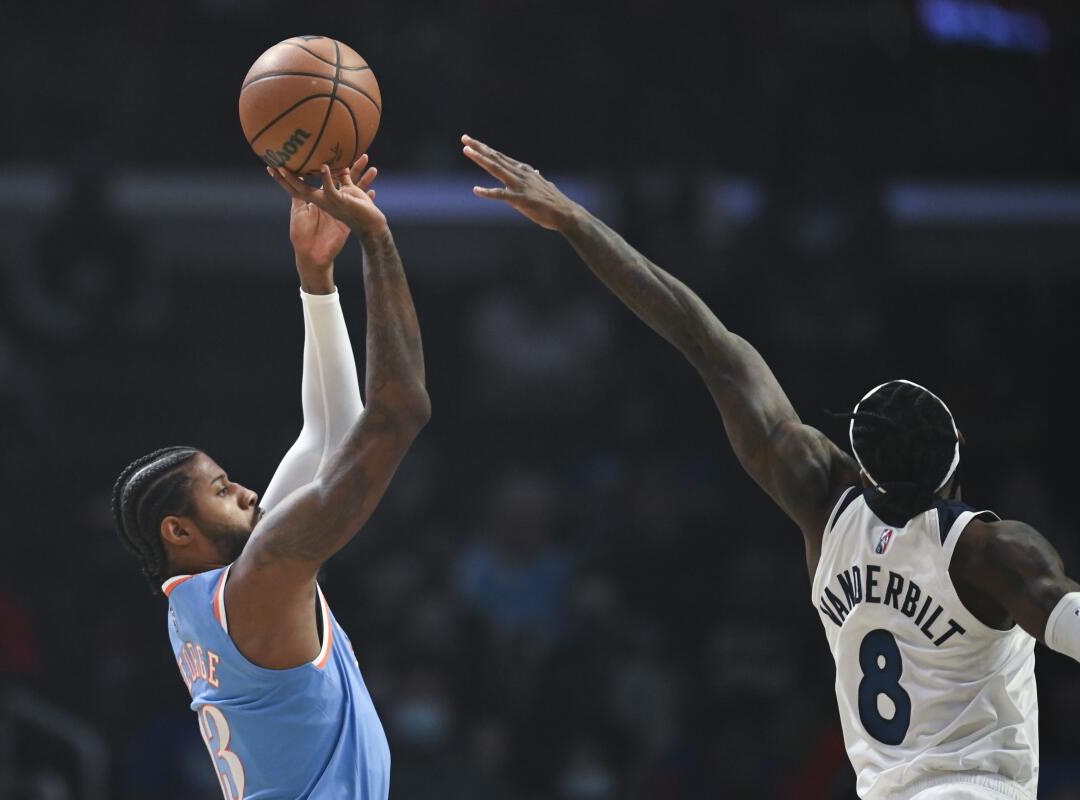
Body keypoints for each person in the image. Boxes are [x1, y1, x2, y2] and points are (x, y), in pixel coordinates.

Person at [461, 134, 1080, 800]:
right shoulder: (994, 552)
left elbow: (703, 341)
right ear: (957, 453)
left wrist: (575, 220)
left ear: (863, 465)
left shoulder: (821, 501)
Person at [110, 156, 430, 800]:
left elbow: (327, 435)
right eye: (223, 490)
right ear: (179, 528)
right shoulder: (258, 580)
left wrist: (317, 278)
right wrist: (377, 238)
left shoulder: (204, 598)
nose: (249, 491)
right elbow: (397, 412)